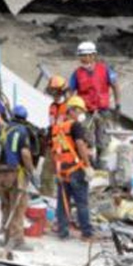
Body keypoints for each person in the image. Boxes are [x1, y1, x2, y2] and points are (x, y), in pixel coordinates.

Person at [69, 41, 121, 165]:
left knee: (103, 141)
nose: (82, 58)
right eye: (81, 56)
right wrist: (71, 110)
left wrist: (118, 105)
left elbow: (115, 86)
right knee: (87, 140)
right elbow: (70, 92)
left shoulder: (105, 70)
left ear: (92, 55)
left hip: (103, 112)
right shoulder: (77, 74)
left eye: (84, 55)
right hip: (86, 112)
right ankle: (90, 165)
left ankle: (102, 166)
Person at [51, 96, 94, 241]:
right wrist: (87, 165)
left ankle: (62, 232)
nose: (82, 114)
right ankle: (86, 233)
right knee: (82, 203)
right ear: (72, 110)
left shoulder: (57, 128)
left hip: (62, 170)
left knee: (63, 203)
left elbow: (55, 151)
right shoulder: (75, 126)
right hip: (75, 170)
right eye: (80, 110)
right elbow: (80, 145)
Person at [0, 105, 36, 251]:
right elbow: (25, 153)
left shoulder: (2, 129)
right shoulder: (22, 131)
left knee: (5, 205)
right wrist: (31, 171)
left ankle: (5, 237)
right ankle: (16, 240)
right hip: (15, 173)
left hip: (0, 173)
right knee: (18, 207)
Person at [40, 75, 70, 197]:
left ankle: (63, 198)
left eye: (55, 92)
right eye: (52, 92)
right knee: (46, 174)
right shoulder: (52, 106)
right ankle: (46, 196)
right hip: (53, 144)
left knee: (64, 175)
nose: (54, 95)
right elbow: (52, 124)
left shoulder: (69, 107)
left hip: (66, 146)